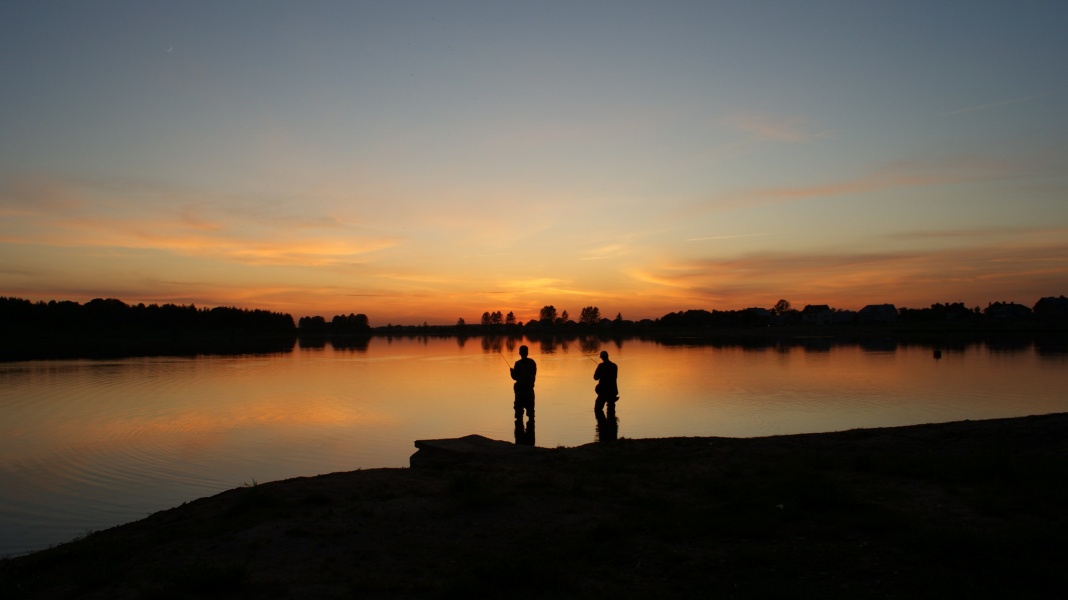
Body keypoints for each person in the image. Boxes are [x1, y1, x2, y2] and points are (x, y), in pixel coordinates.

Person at [510, 345, 537, 421]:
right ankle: (530, 431)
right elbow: (534, 374)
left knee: (519, 415)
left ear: (520, 353)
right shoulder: (532, 362)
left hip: (520, 392)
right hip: (530, 391)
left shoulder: (518, 364)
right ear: (527, 352)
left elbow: (515, 377)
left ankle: (519, 431)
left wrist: (512, 372)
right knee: (531, 415)